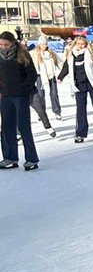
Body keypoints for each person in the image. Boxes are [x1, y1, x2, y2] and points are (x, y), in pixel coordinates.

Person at [57, 35, 93, 143]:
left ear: (86, 44)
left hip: (92, 83)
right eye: (78, 44)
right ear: (75, 44)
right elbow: (66, 67)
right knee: (80, 109)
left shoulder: (91, 54)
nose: (80, 46)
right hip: (79, 85)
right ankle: (80, 133)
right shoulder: (71, 56)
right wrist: (60, 77)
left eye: (82, 44)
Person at [0, 31, 40, 170]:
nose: (3, 47)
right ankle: (10, 157)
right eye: (1, 44)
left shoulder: (22, 55)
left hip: (20, 96)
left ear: (13, 43)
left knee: (24, 127)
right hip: (5, 96)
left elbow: (32, 74)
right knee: (7, 127)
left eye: (6, 44)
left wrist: (24, 88)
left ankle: (31, 159)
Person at [32, 38, 63, 119]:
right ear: (39, 44)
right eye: (43, 44)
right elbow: (30, 65)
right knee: (40, 95)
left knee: (54, 94)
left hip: (51, 75)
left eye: (46, 44)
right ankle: (41, 113)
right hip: (40, 76)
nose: (44, 46)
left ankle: (57, 111)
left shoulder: (52, 53)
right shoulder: (35, 53)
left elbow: (60, 63)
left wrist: (63, 73)